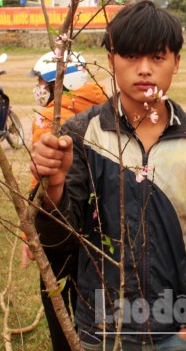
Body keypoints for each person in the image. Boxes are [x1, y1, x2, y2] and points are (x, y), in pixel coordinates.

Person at [31, 0, 186, 350]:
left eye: (157, 57)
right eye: (131, 56)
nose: (144, 70)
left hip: (172, 329)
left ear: (177, 62)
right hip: (99, 328)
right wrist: (54, 187)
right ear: (111, 61)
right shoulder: (80, 135)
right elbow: (57, 241)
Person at [25, 50, 107, 351]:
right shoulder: (107, 109)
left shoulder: (49, 118)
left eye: (41, 81)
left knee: (59, 306)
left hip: (60, 226)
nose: (38, 87)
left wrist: (30, 231)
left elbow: (41, 181)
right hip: (99, 233)